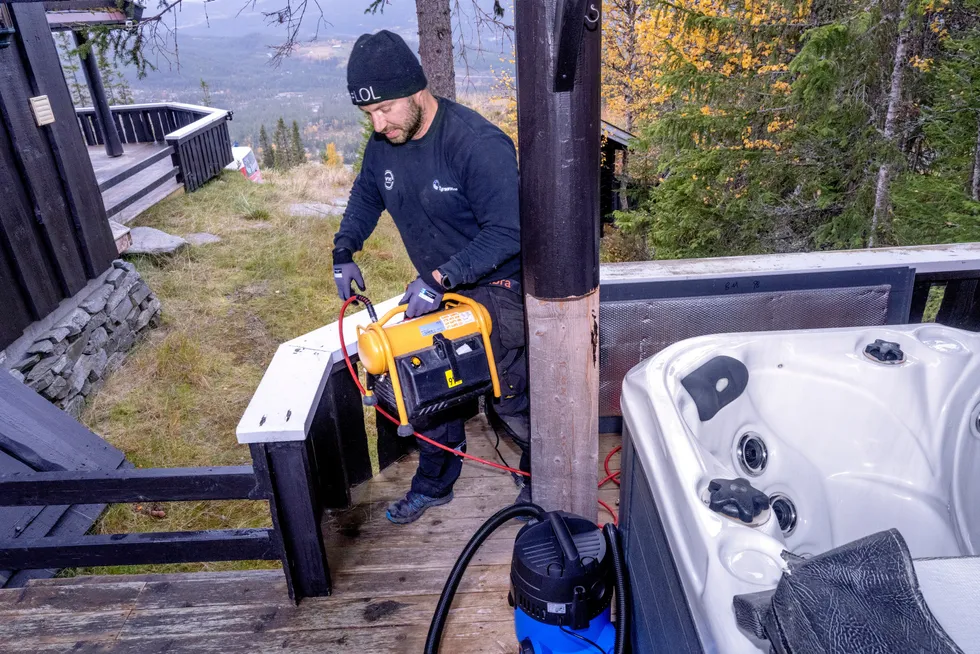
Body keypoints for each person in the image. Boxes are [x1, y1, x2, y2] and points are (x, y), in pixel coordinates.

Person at [332, 30, 530, 524]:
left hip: (498, 285)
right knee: (422, 385)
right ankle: (436, 484)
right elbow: (366, 194)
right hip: (439, 285)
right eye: (369, 115)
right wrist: (343, 249)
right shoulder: (384, 143)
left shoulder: (475, 143)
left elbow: (512, 230)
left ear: (418, 89)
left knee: (514, 399)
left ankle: (538, 485)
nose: (379, 124)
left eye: (387, 109)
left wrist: (442, 276)